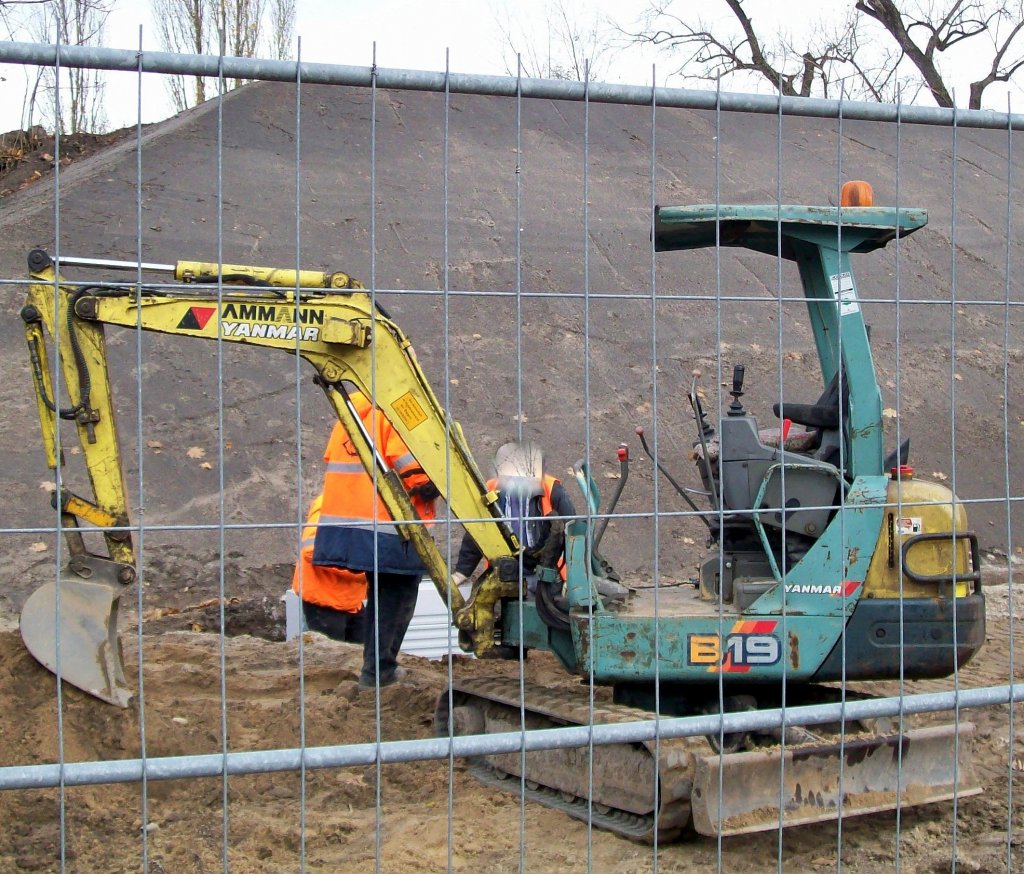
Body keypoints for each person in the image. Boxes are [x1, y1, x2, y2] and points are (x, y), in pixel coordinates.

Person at [312, 387, 439, 689]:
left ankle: (376, 669)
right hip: (392, 528)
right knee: (397, 600)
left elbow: (333, 456)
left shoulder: (353, 410)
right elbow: (418, 473)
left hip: (353, 524)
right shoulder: (398, 407)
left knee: (381, 599)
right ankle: (379, 674)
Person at [452, 440, 575, 595]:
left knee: (545, 608)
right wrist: (462, 572)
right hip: (505, 572)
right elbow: (478, 530)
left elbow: (573, 532)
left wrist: (572, 578)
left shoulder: (552, 490)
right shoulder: (491, 490)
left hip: (546, 571)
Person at [291, 493, 366, 643]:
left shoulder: (361, 504)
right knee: (329, 655)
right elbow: (313, 550)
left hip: (351, 600)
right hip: (324, 602)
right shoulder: (331, 504)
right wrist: (361, 571)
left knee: (360, 652)